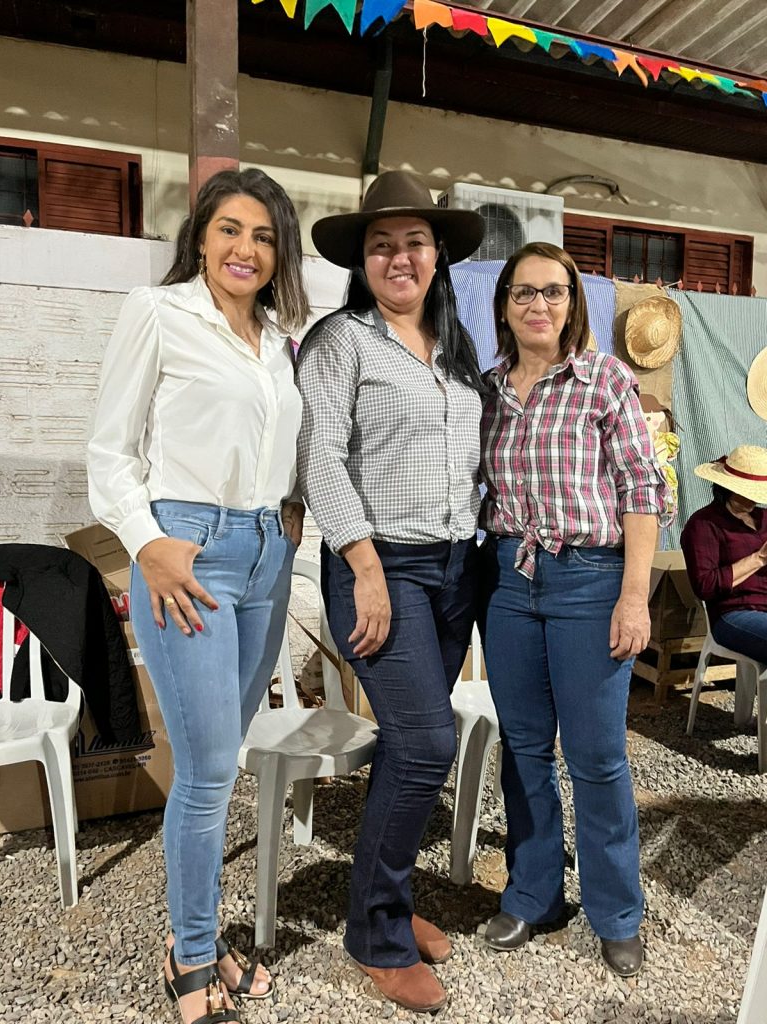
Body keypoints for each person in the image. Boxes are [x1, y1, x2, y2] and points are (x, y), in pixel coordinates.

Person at [87, 168, 309, 1024]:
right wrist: (146, 545)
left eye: (261, 235)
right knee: (212, 769)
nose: (244, 249)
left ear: (278, 249)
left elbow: (274, 442)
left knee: (227, 756)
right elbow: (109, 451)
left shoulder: (281, 339)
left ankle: (203, 935)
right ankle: (188, 952)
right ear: (201, 237)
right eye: (228, 230)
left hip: (265, 553)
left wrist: (288, 508)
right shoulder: (158, 312)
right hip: (190, 552)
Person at [296, 170, 485, 1013]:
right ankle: (374, 933)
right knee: (426, 744)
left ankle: (393, 906)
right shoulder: (342, 342)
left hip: (455, 569)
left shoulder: (458, 352)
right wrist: (364, 567)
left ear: (437, 254)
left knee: (410, 752)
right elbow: (320, 458)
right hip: (385, 569)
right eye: (381, 245)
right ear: (362, 262)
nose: (398, 256)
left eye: (412, 241)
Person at [479, 241, 671, 978]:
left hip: (591, 582)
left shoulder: (603, 380)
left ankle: (617, 911)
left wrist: (633, 597)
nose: (538, 305)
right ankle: (533, 894)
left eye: (552, 292)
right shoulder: (489, 389)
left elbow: (643, 491)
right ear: (504, 304)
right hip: (509, 582)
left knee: (595, 757)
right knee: (524, 750)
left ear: (571, 304)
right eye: (524, 292)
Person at [680, 446, 767, 662]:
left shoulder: (764, 517)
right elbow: (705, 586)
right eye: (746, 492)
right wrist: (759, 558)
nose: (752, 499)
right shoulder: (703, 524)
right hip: (734, 613)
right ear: (727, 488)